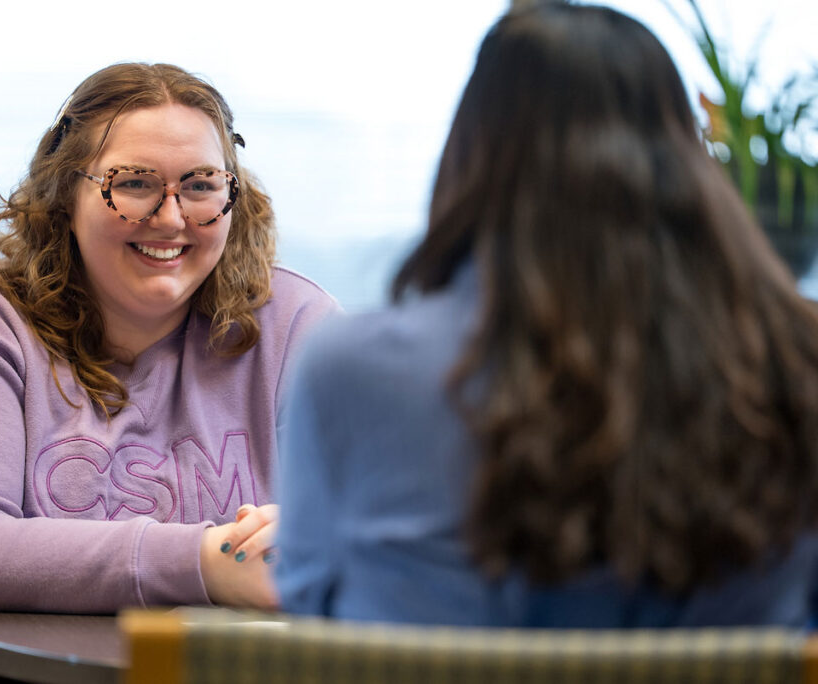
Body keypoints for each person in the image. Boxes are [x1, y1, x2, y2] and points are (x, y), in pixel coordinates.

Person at [274, 2, 818, 628]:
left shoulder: (351, 371)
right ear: (687, 162)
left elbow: (310, 605)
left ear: (471, 154)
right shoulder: (796, 364)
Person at [0, 62, 338, 680]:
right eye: (133, 183)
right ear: (63, 198)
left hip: (183, 660)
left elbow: (382, 529)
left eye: (200, 184)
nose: (170, 217)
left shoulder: (297, 328)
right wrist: (206, 561)